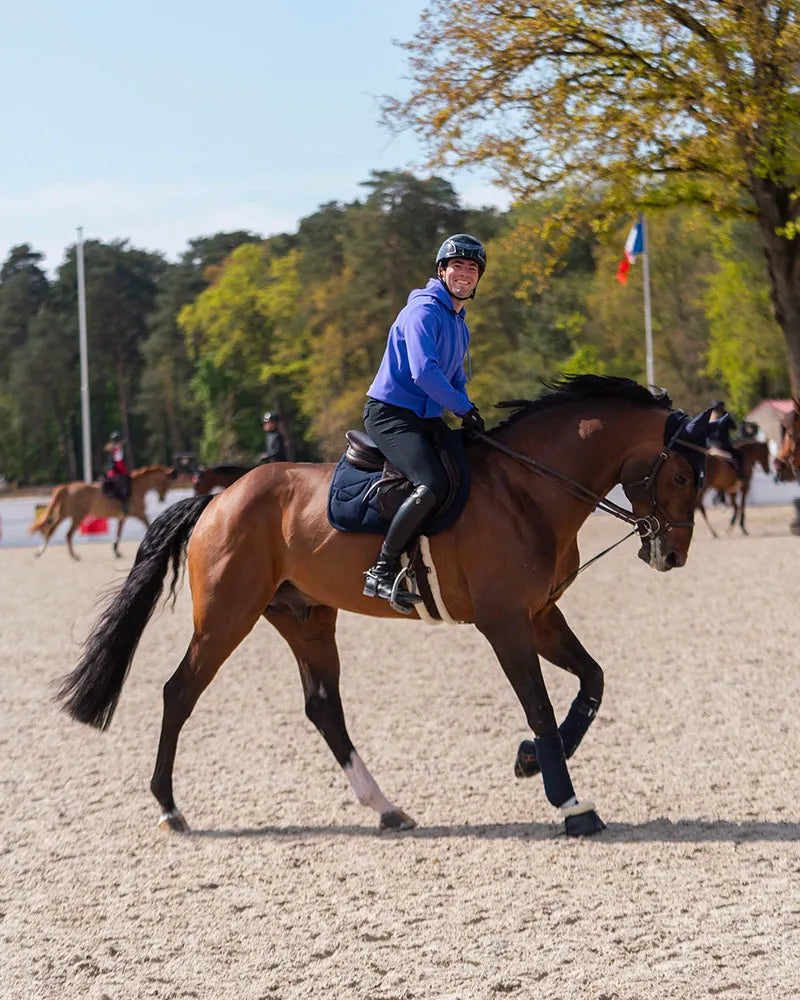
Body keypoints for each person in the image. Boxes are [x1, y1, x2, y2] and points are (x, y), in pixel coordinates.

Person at [361, 233, 487, 611]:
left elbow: (454, 379)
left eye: (472, 268)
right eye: (457, 266)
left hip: (426, 416)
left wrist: (469, 408)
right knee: (431, 482)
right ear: (441, 271)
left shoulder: (459, 322)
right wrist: (461, 410)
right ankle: (381, 571)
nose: (465, 273)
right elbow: (424, 373)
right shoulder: (424, 312)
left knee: (470, 463)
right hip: (391, 415)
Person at [103, 430, 131, 507]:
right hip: (116, 472)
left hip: (111, 472)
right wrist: (125, 471)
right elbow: (119, 464)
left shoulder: (112, 449)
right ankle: (124, 504)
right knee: (126, 483)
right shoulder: (118, 450)